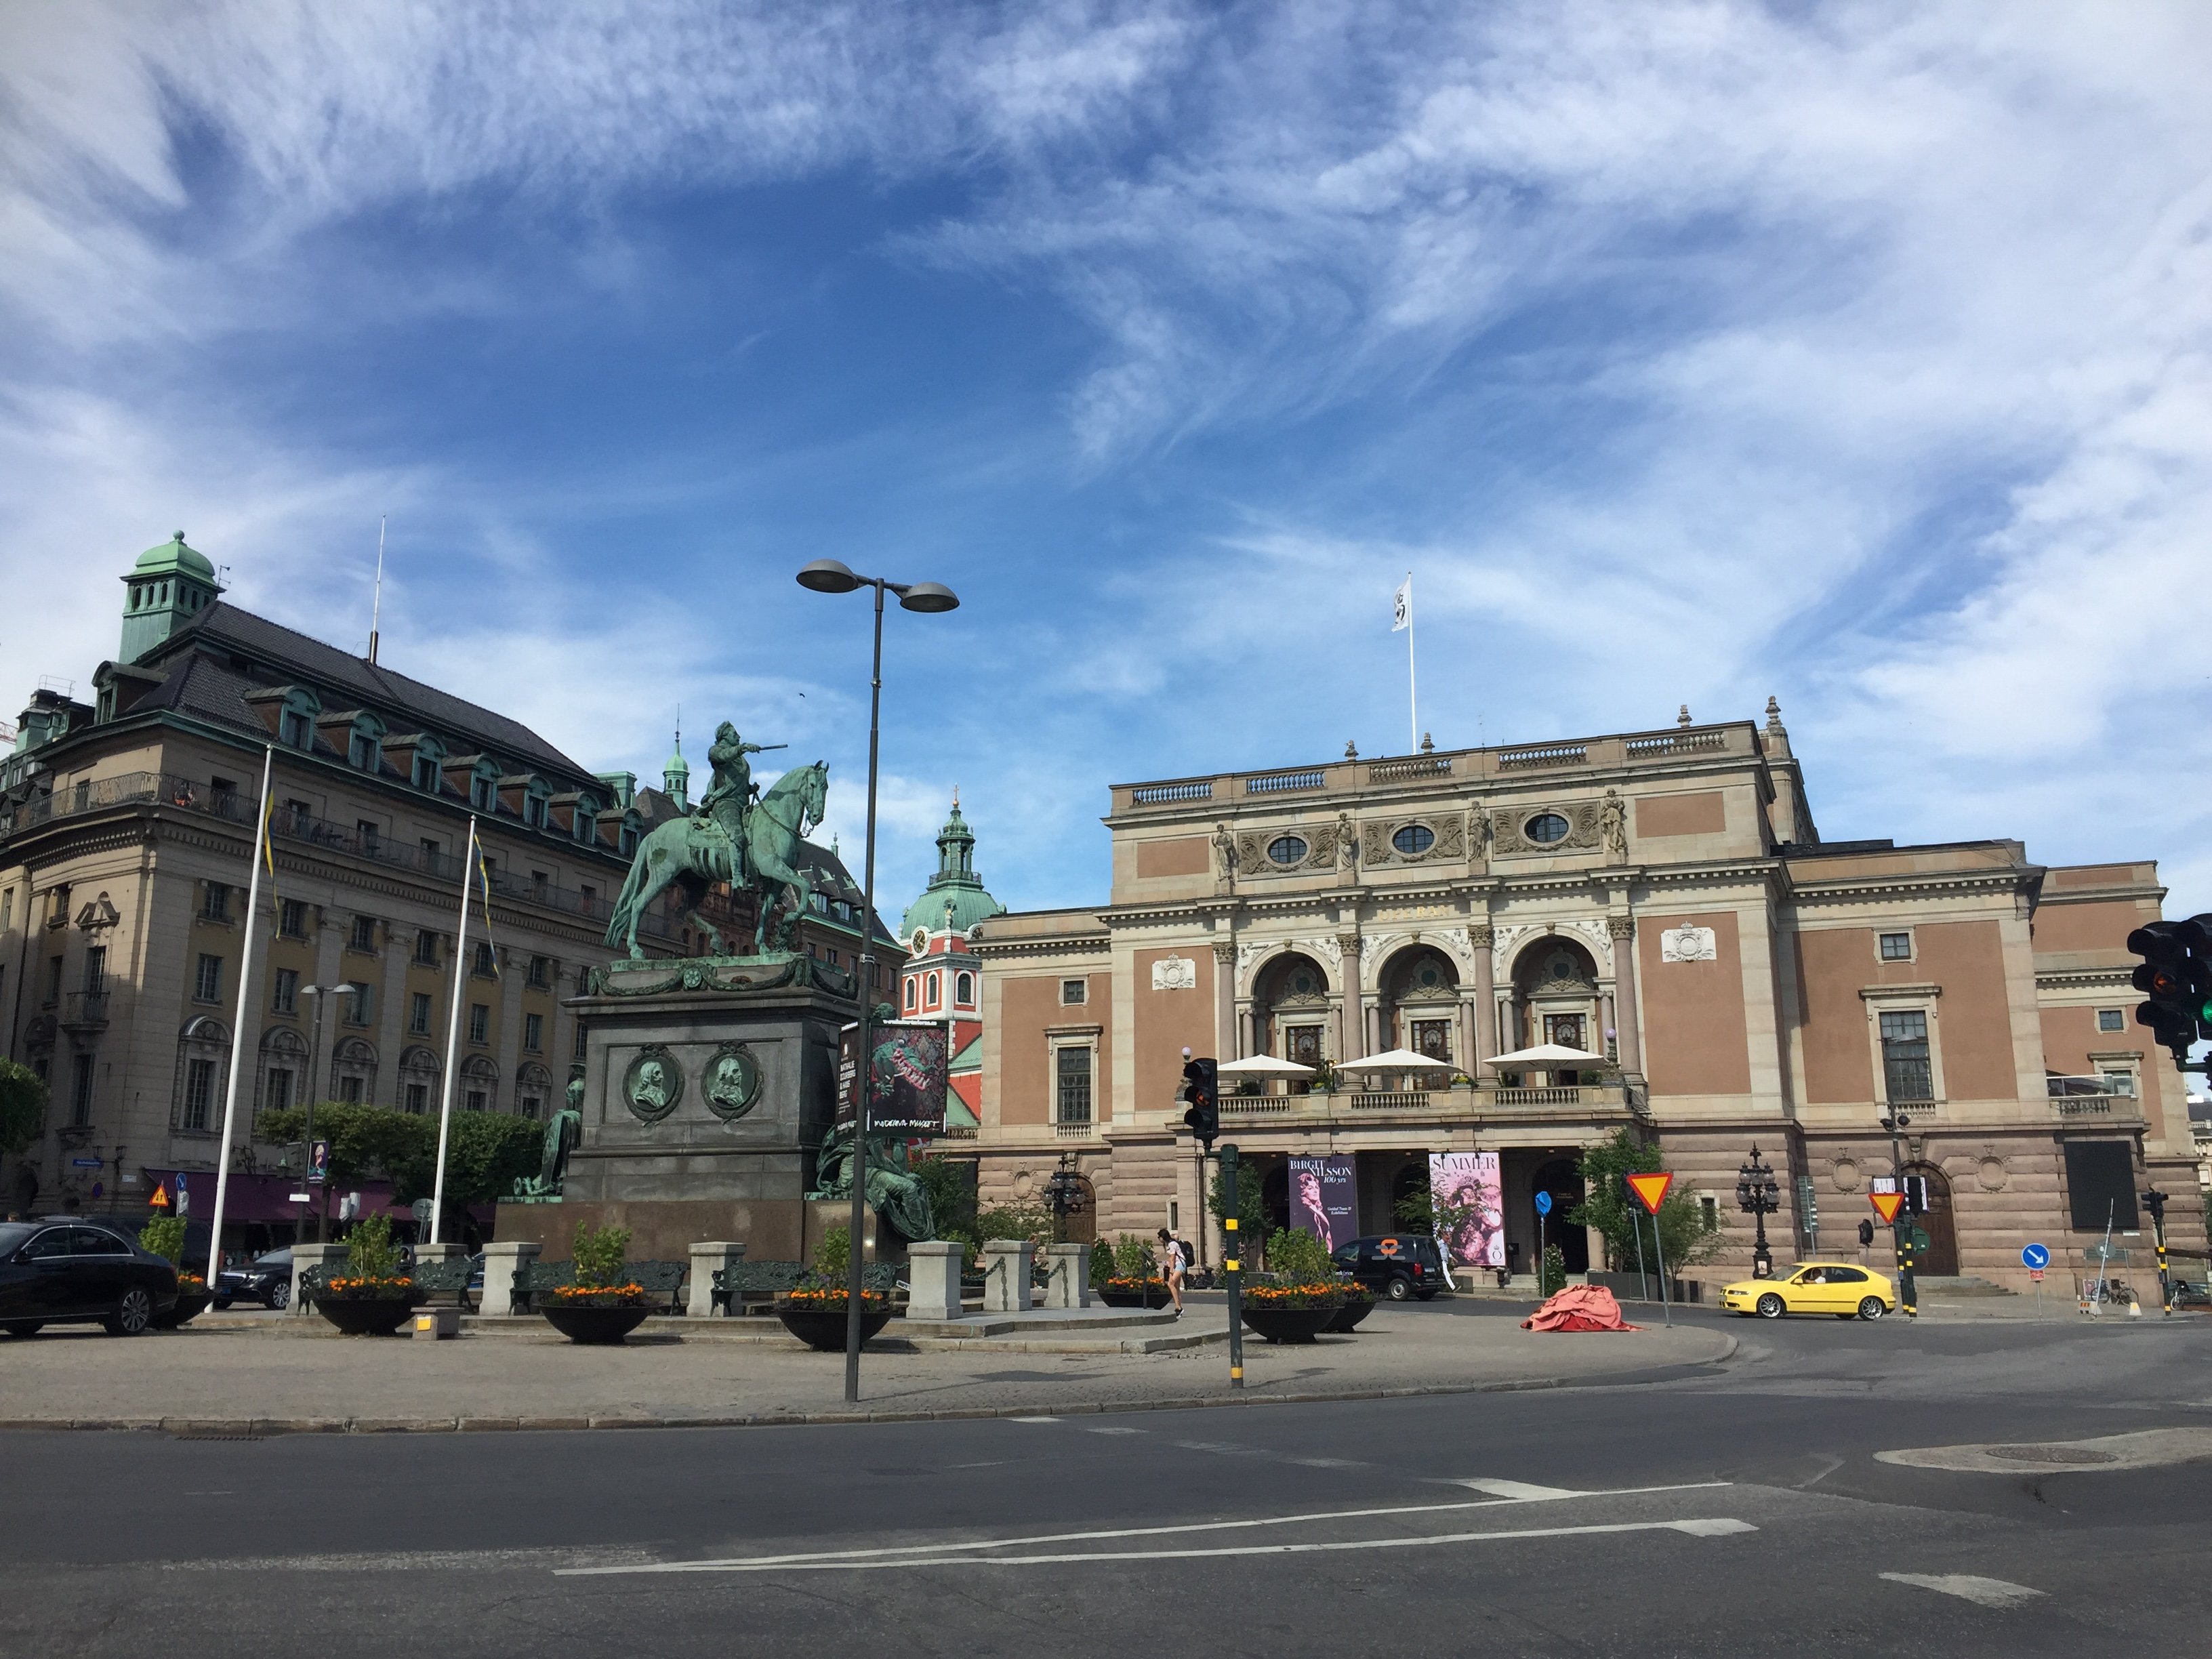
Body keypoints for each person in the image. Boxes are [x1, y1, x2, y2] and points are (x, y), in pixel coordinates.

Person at [1156, 1227, 1185, 1315]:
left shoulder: (1172, 1244)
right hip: (1177, 1265)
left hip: (1180, 1265)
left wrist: (1171, 1271)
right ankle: (1179, 1306)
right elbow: (1170, 1259)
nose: (1159, 1239)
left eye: (1159, 1237)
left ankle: (1178, 1307)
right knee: (1176, 1286)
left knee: (1170, 1284)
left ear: (1163, 1237)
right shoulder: (1168, 1244)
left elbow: (1172, 1258)